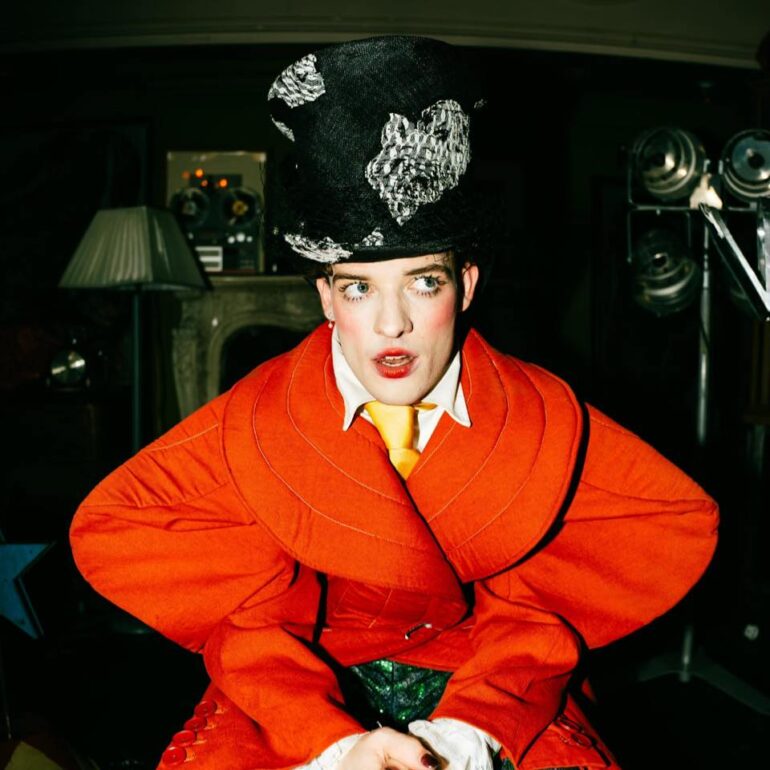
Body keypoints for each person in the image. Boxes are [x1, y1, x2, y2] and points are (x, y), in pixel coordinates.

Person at [69, 36, 719, 770]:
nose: (392, 325)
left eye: (423, 282)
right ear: (325, 298)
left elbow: (639, 542)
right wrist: (334, 743)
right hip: (297, 692)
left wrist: (463, 735)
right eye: (359, 287)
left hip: (495, 684)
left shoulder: (543, 420)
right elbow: (203, 589)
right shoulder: (254, 422)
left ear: (465, 286)